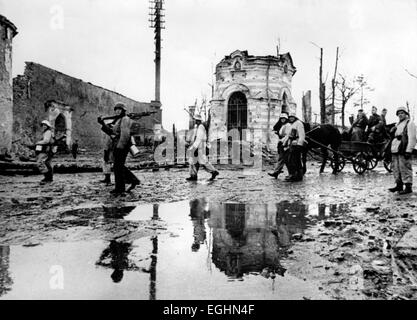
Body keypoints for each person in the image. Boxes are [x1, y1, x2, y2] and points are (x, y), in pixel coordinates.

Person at [111, 103, 140, 196]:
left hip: (122, 146)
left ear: (123, 110)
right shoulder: (119, 120)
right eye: (116, 109)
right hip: (118, 145)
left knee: (118, 166)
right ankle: (130, 182)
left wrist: (120, 146)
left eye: (119, 109)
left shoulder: (125, 119)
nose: (117, 111)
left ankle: (120, 188)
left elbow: (125, 134)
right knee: (118, 166)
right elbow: (113, 132)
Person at [388, 106, 416, 195]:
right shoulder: (397, 124)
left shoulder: (409, 123)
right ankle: (399, 185)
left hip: (404, 148)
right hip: (396, 148)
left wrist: (409, 150)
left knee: (405, 167)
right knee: (396, 167)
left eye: (402, 113)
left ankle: (408, 187)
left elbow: (412, 138)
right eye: (399, 113)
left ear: (406, 114)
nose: (400, 115)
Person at [186, 114, 219, 181]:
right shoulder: (197, 127)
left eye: (195, 120)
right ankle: (193, 176)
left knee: (203, 162)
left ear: (197, 120)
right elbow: (194, 138)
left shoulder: (201, 127)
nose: (194, 121)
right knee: (193, 162)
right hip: (197, 146)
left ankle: (214, 171)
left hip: (200, 147)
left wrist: (193, 148)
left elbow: (199, 139)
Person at [268, 113, 292, 178]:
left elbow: (288, 135)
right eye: (281, 118)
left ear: (286, 119)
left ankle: (291, 174)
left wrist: (284, 142)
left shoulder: (288, 125)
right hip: (281, 143)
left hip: (285, 143)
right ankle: (276, 172)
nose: (282, 120)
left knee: (286, 159)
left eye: (284, 119)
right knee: (281, 158)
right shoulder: (282, 125)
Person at [284, 112, 306, 182]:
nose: (291, 118)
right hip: (292, 144)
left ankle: (298, 176)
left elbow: (302, 135)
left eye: (292, 117)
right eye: (290, 117)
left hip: (297, 145)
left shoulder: (299, 123)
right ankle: (294, 175)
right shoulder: (293, 124)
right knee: (292, 160)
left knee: (296, 160)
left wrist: (299, 144)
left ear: (295, 117)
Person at [36, 120, 55, 184]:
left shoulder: (48, 132)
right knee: (47, 163)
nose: (44, 126)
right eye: (43, 125)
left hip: (47, 149)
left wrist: (38, 143)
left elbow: (46, 141)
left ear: (47, 126)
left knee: (42, 162)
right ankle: (49, 177)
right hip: (48, 149)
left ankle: (47, 177)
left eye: (45, 125)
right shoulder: (46, 132)